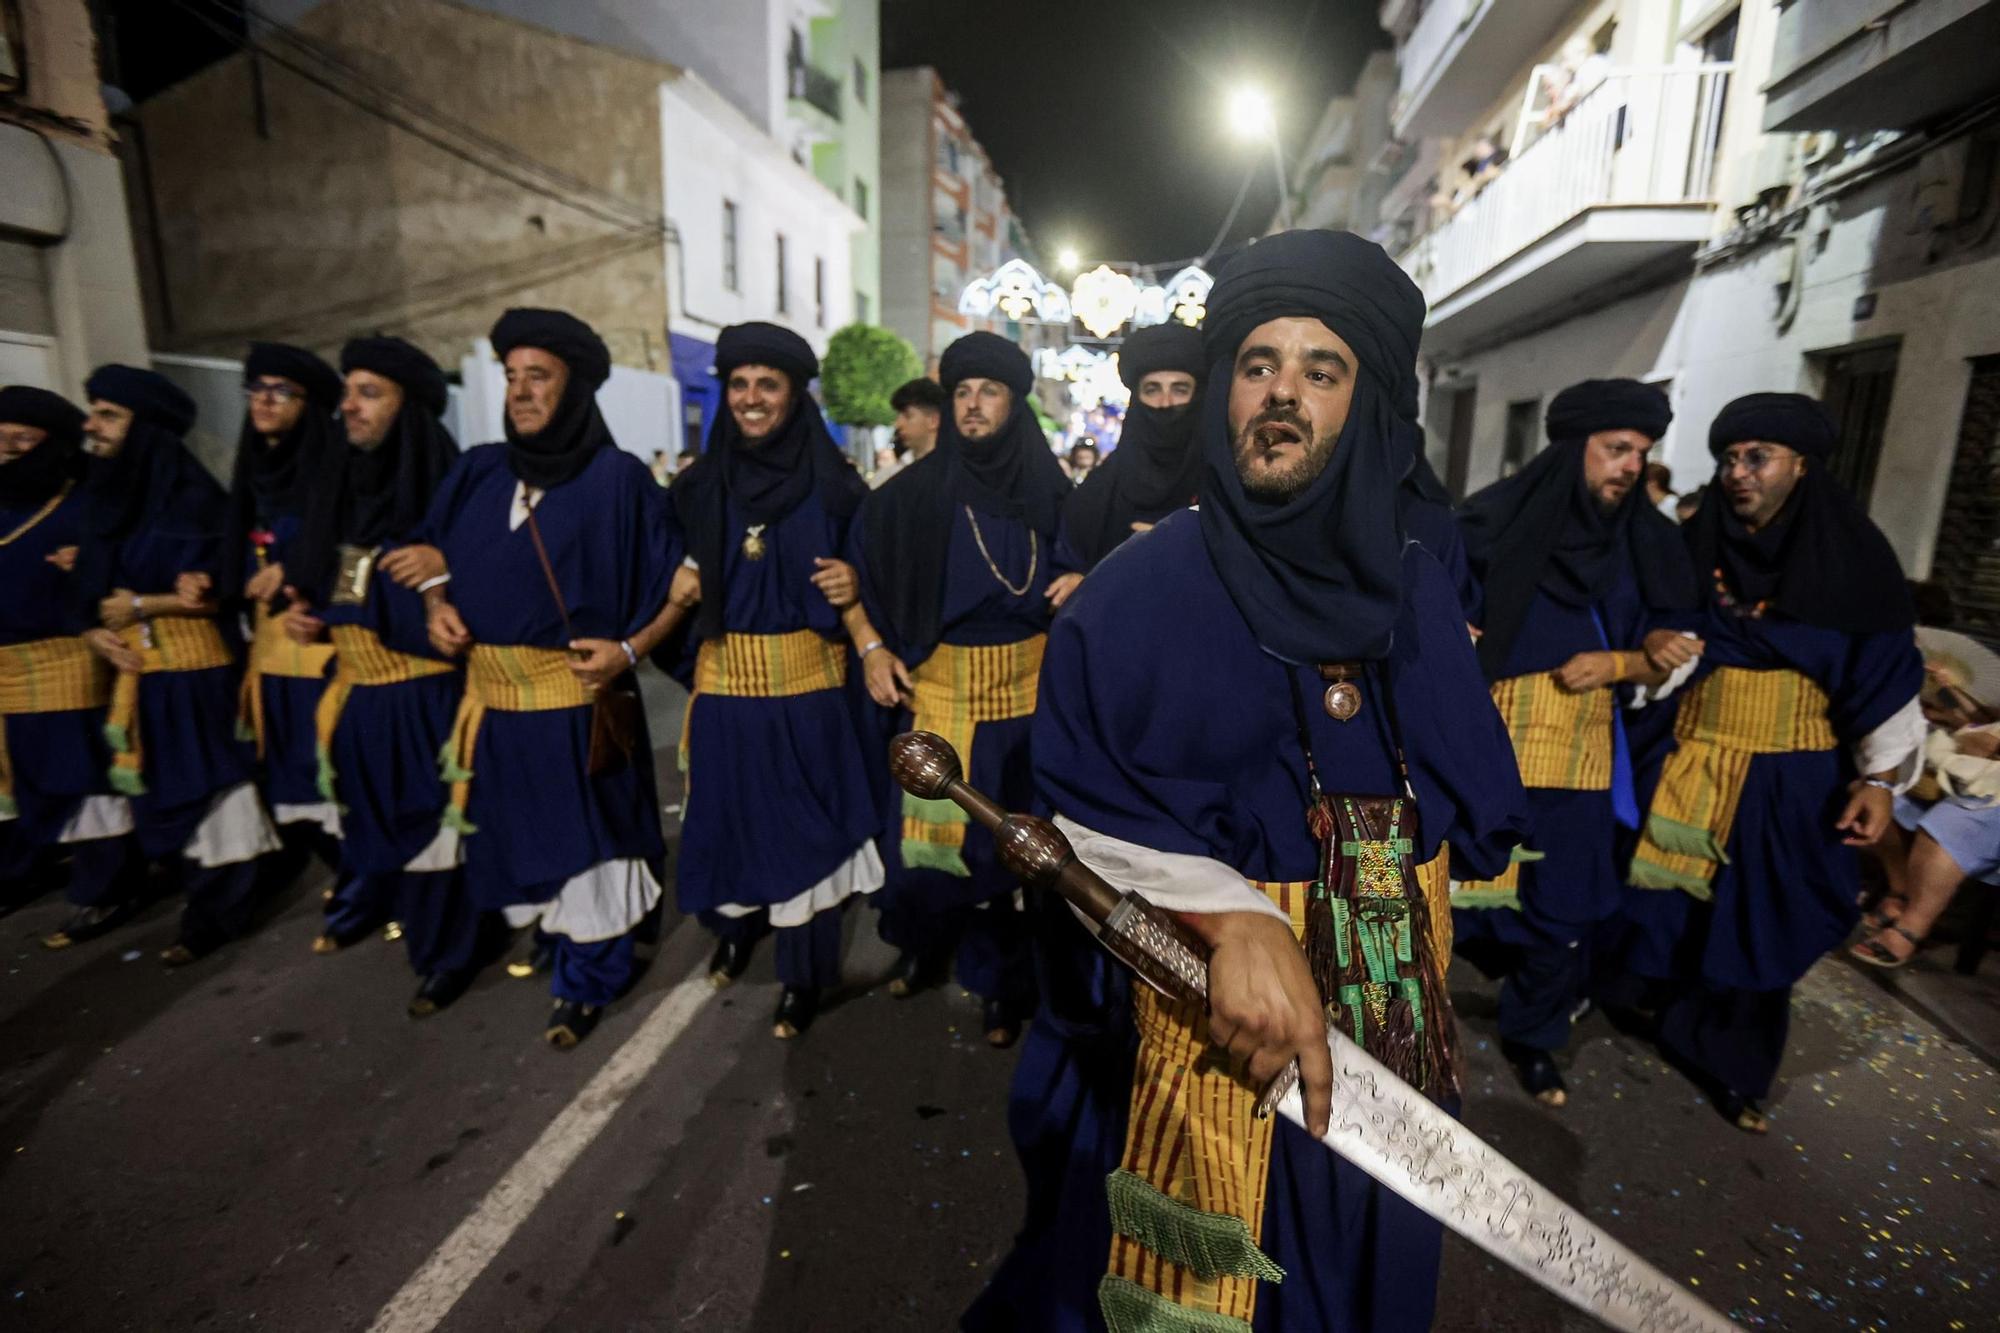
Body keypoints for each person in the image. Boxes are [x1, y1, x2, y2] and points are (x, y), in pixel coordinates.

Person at [966, 230, 1528, 1332]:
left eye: (1320, 370)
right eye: (1257, 363)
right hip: (1223, 1040)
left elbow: (1476, 810)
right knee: (1231, 1294)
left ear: (1362, 404)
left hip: (1394, 1042)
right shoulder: (1134, 594)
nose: (1281, 393)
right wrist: (1235, 915)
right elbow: (1076, 807)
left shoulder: (1415, 592)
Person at [1617, 392, 1924, 1132]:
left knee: (1763, 919)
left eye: (1757, 457)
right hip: (1689, 757)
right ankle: (1652, 1006)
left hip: (1792, 779)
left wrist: (1879, 780)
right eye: (1728, 459)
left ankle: (1732, 1064)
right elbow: (1650, 628)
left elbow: (1882, 677)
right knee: (1668, 902)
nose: (1737, 473)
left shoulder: (1854, 561)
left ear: (1800, 465)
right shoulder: (1699, 549)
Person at [415, 309, 680, 1047]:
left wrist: (631, 648)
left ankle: (587, 980)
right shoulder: (476, 470)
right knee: (521, 844)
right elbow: (428, 552)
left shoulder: (618, 480)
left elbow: (676, 584)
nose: (521, 391)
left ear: (575, 390)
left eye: (540, 377)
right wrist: (436, 601)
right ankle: (563, 947)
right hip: (493, 711)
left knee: (591, 848)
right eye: (512, 376)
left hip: (574, 709)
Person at [1452, 379, 1698, 1106]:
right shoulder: (1491, 522)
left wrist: (1624, 660)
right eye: (1615, 449)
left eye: (1641, 453)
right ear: (1573, 450)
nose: (1629, 466)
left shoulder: (1649, 545)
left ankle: (1533, 1038)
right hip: (1489, 743)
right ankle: (1419, 1025)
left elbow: (1679, 645)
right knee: (1456, 892)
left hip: (1582, 755)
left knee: (1561, 906)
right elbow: (1438, 601)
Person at [846, 330, 1071, 1048]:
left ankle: (1003, 981)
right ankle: (921, 942)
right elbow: (854, 580)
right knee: (926, 853)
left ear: (1014, 404)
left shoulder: (1053, 493)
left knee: (1015, 859)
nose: (973, 406)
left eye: (990, 393)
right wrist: (872, 646)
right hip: (941, 695)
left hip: (1029, 705)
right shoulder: (907, 497)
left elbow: (1094, 573)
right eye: (963, 393)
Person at [666, 322, 883, 1038]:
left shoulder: (835, 488)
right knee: (725, 827)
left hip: (806, 698)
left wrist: (856, 583)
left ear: (794, 396)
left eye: (768, 385)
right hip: (726, 695)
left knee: (807, 837)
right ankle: (733, 930)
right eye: (739, 384)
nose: (751, 399)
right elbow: (669, 592)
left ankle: (803, 974)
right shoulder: (696, 488)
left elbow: (870, 582)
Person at [280, 335, 478, 1013]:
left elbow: (476, 599)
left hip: (425, 699)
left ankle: (445, 954)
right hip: (358, 696)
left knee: (438, 830)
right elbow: (330, 586)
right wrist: (313, 619)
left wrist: (443, 580)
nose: (351, 407)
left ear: (409, 407)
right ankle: (418, 926)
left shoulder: (450, 499)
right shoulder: (339, 492)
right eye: (348, 392)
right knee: (376, 820)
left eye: (371, 393)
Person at [73, 366, 280, 965]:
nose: (93, 426)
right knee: (160, 796)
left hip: (195, 675)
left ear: (147, 431)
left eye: (110, 415)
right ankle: (199, 898)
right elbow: (90, 593)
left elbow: (223, 587)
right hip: (136, 679)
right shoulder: (107, 500)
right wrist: (93, 628)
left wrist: (142, 603)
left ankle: (217, 913)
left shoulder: (194, 501)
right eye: (94, 411)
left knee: (215, 796)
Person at [196, 345, 346, 882]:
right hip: (271, 649)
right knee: (292, 770)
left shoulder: (335, 466)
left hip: (325, 644)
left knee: (336, 765)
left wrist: (296, 568)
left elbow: (351, 546)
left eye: (281, 391)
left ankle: (366, 884)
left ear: (309, 404)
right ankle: (342, 876)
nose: (263, 400)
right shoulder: (255, 469)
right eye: (255, 389)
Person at [0, 387, 135, 939]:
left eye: (23, 440)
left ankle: (105, 887)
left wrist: (93, 565)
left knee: (80, 777)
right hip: (4, 663)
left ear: (52, 445)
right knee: (15, 778)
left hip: (66, 658)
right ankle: (21, 871)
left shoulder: (86, 504)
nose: (7, 450)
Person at [1056, 322, 1204, 573]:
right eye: (1152, 389)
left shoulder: (1226, 486)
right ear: (1137, 399)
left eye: (1180, 390)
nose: (1165, 403)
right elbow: (1068, 569)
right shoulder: (1096, 494)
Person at [872, 377, 944, 489]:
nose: (898, 424)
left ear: (933, 421)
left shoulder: (957, 476)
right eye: (898, 416)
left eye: (907, 416)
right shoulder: (888, 478)